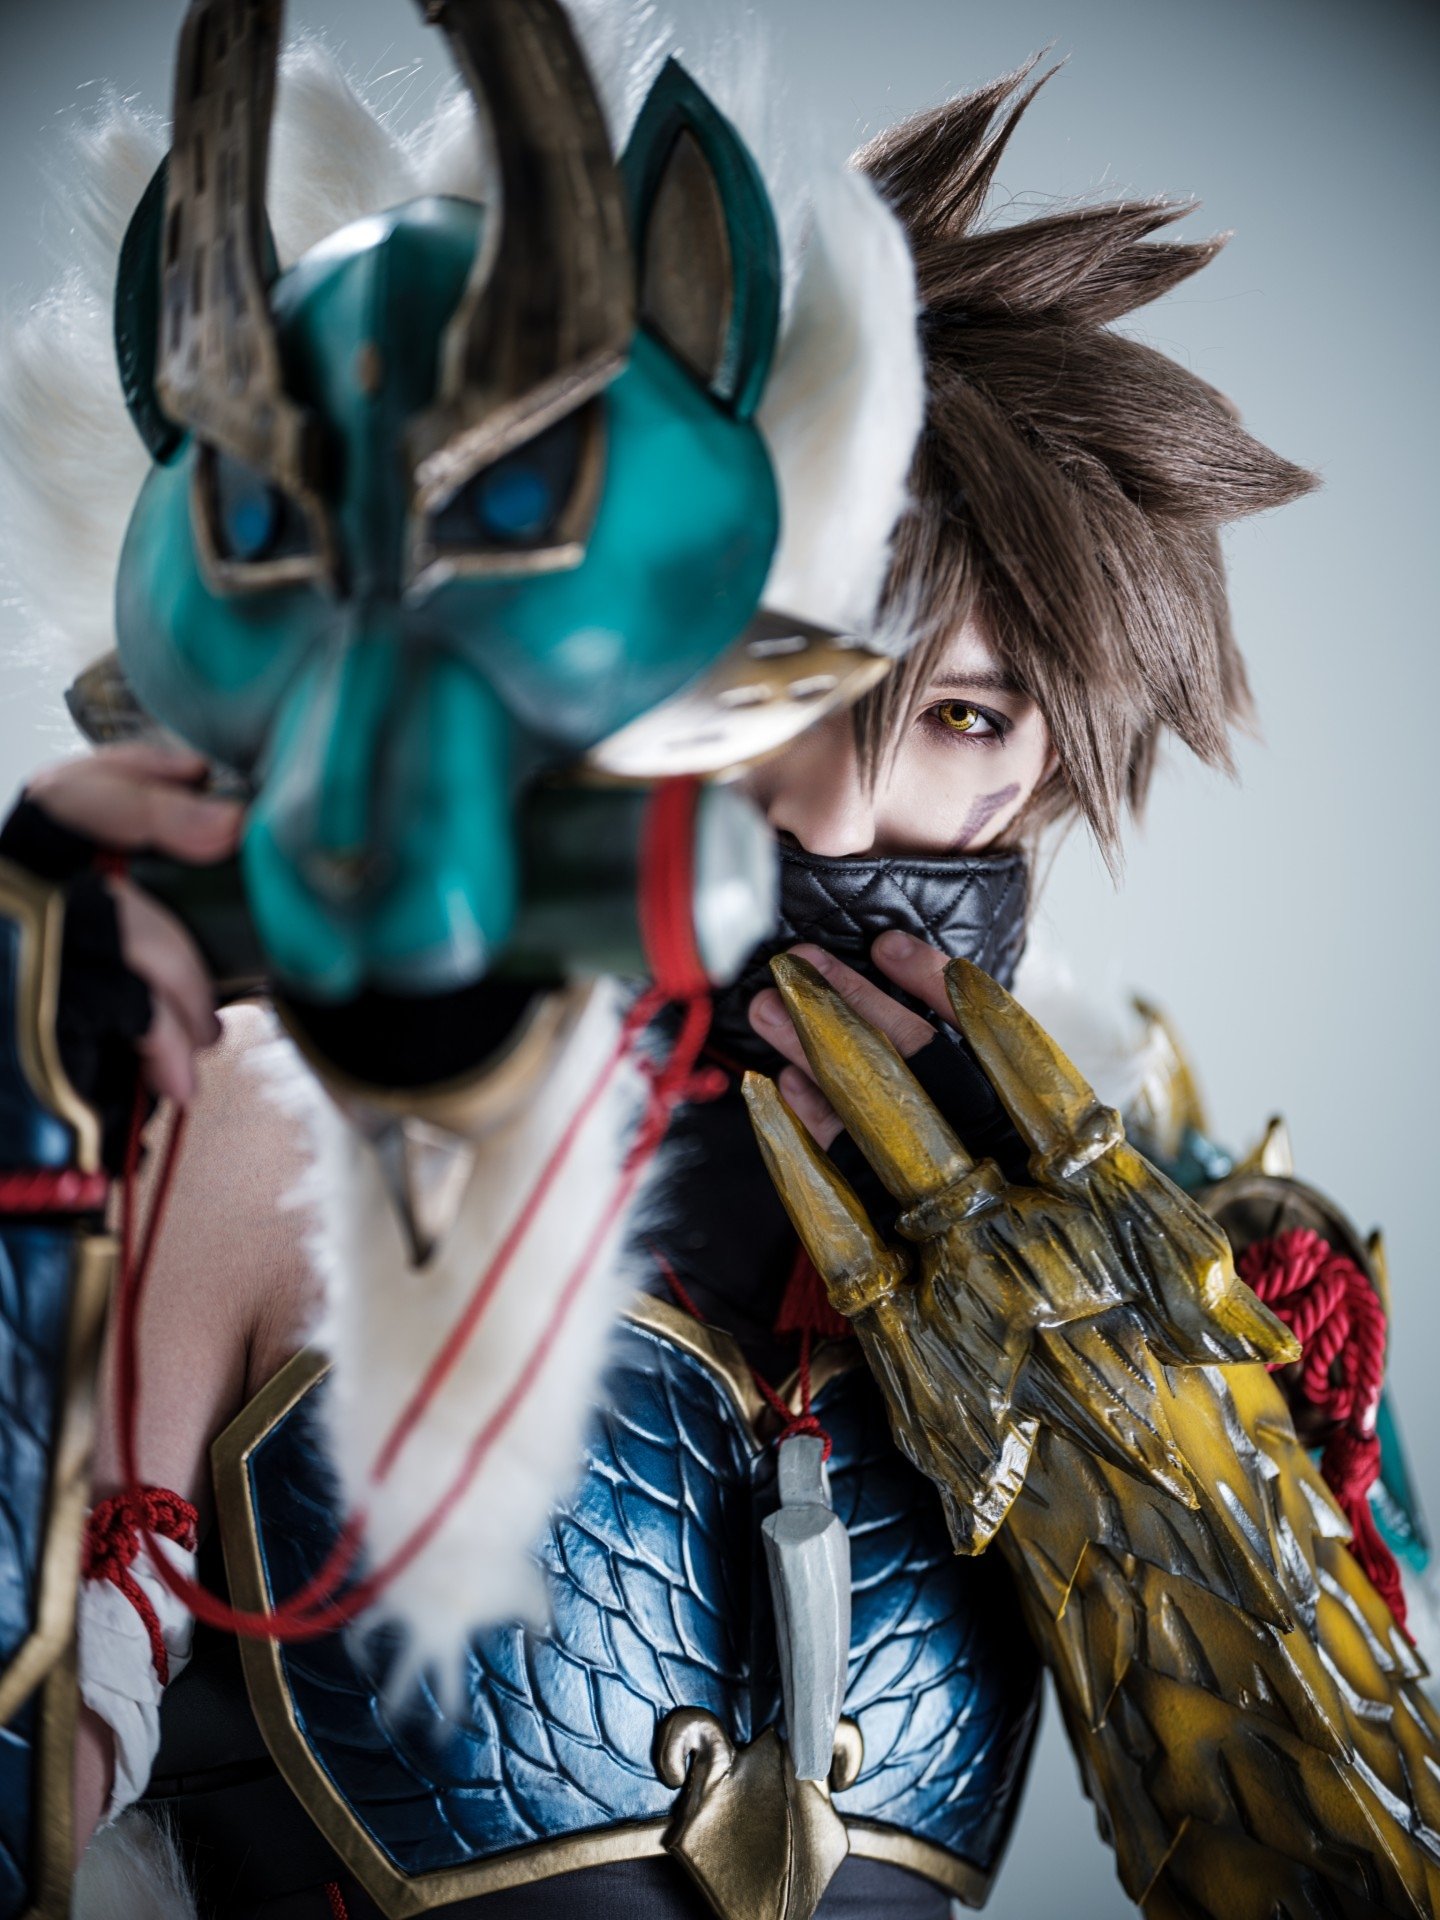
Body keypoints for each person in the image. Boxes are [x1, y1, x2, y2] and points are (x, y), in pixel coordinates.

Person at [1, 12, 1436, 1920]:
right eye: (792, 684)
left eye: (964, 714)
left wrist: (1170, 1438)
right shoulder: (280, 1128)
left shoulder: (1171, 1229)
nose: (837, 810)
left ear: (1058, 749)